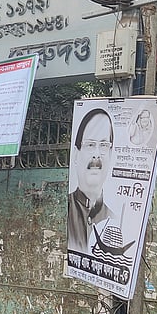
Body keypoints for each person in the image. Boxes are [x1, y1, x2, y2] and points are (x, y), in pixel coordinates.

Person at [67, 108, 116, 254]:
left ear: (111, 153)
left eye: (104, 145)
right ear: (76, 154)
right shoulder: (68, 209)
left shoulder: (115, 218)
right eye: (90, 145)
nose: (96, 155)